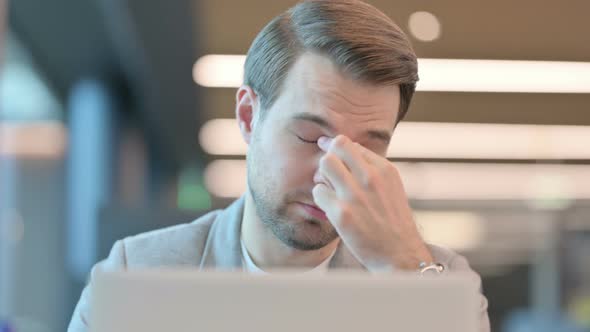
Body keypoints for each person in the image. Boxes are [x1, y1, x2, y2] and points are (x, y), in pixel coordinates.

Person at [68, 0, 490, 331]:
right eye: (309, 137)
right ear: (249, 117)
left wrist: (401, 268)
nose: (332, 175)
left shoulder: (439, 280)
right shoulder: (140, 273)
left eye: (365, 150)